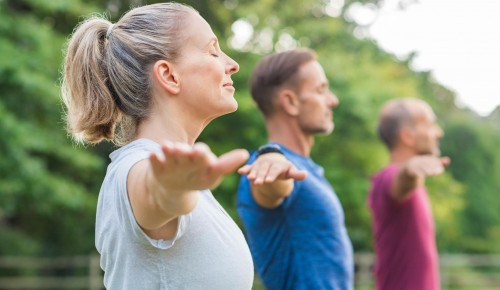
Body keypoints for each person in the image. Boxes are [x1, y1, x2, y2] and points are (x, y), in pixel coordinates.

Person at [60, 3, 254, 289]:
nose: (232, 64)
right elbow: (155, 194)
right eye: (213, 50)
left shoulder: (181, 178)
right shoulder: (136, 169)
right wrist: (172, 188)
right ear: (169, 75)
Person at [236, 48, 354, 290]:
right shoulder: (267, 167)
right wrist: (272, 163)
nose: (333, 100)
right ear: (290, 102)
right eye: (321, 90)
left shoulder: (305, 168)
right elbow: (272, 186)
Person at [367, 97, 450, 290]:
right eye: (430, 125)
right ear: (408, 136)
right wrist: (408, 169)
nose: (439, 132)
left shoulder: (417, 187)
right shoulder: (386, 178)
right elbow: (400, 181)